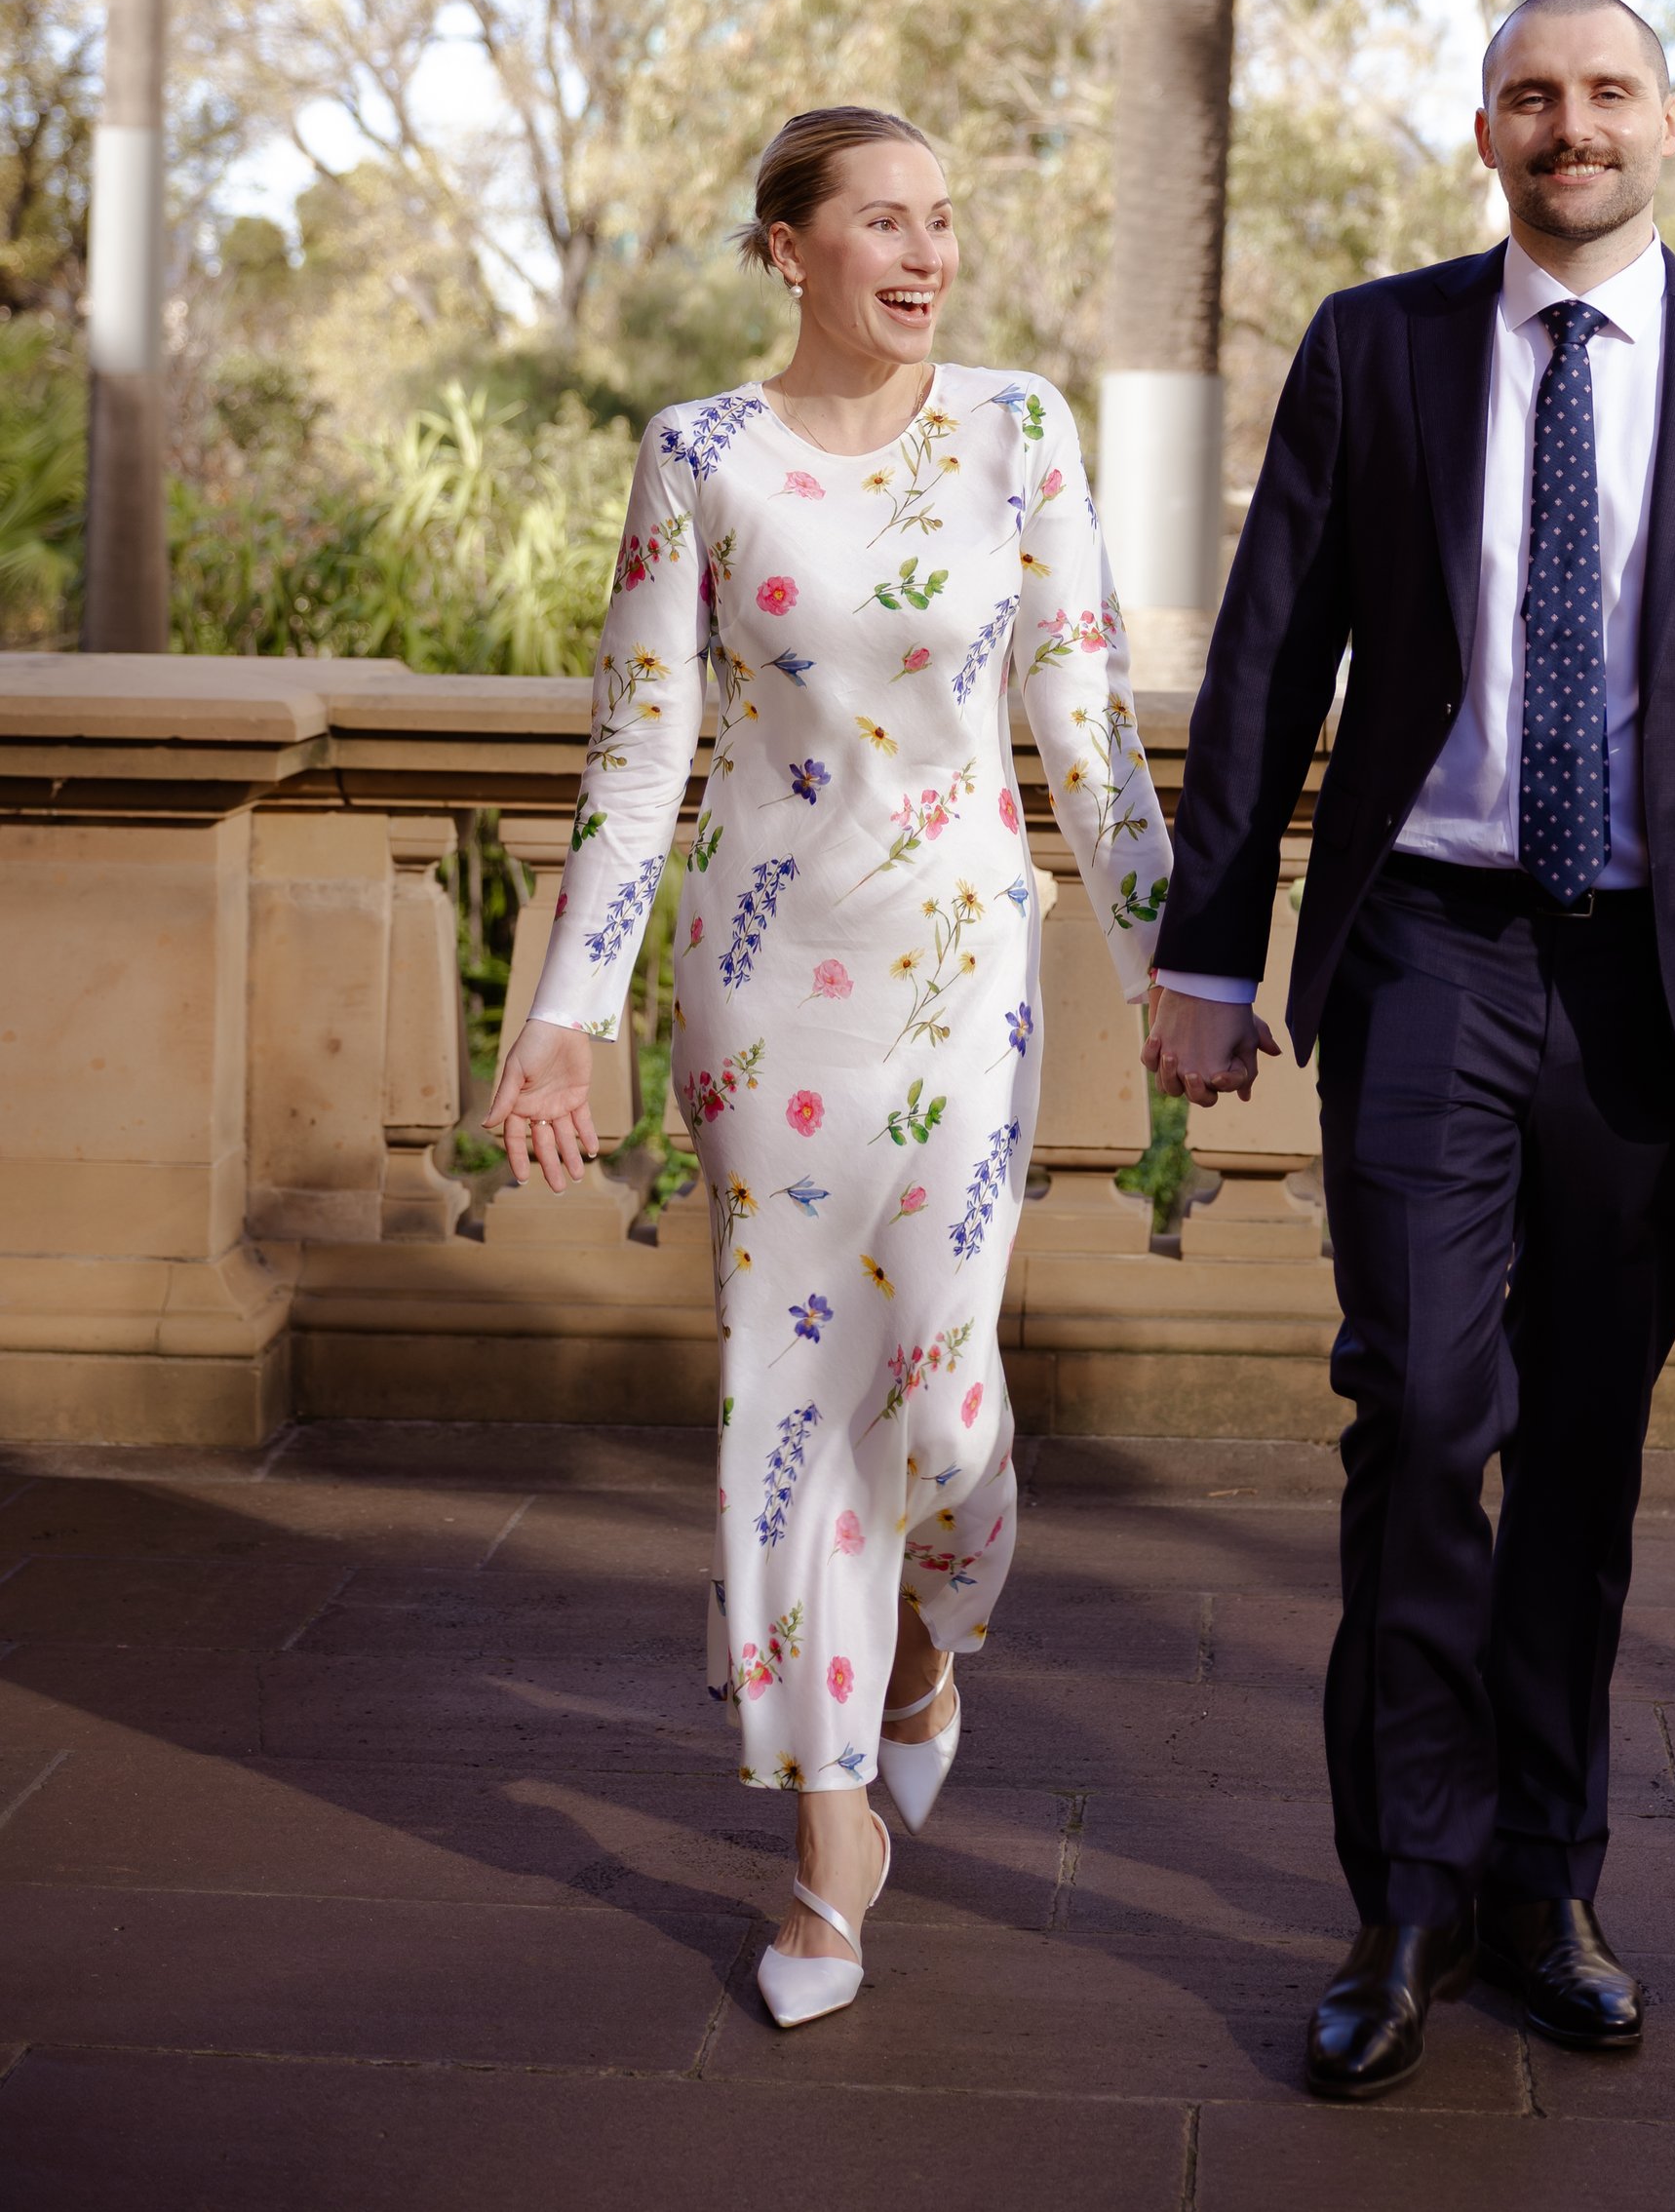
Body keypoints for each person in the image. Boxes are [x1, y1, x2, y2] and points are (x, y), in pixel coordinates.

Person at [1146, 0, 1675, 2101]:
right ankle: (1402, 1899)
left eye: (1602, 94)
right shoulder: (1373, 347)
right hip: (1431, 951)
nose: (1567, 127)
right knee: (1415, 1405)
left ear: (1669, 117)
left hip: (1656, 989)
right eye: (1529, 97)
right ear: (1478, 129)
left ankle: (1544, 1884)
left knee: (1578, 1440)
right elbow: (1266, 667)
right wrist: (1210, 955)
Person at [485, 104, 1167, 2030]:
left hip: (959, 977)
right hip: (761, 978)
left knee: (944, 1410)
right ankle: (827, 1837)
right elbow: (636, 753)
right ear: (788, 246)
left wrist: (1174, 961)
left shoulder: (1020, 430)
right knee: (787, 1401)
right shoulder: (696, 455)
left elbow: (1086, 726)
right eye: (884, 220)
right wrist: (567, 1007)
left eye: (943, 219)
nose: (926, 252)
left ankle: (928, 1653)